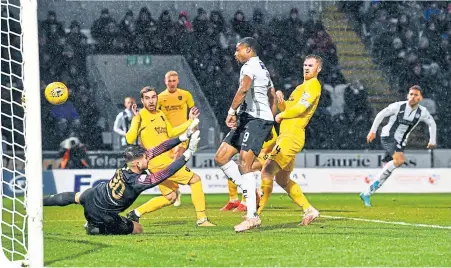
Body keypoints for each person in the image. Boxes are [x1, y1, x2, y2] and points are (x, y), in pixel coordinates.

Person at [43, 131, 201, 235]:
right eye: (146, 158)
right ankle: (94, 226)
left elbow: (159, 148)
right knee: (138, 229)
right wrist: (188, 154)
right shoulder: (137, 180)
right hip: (104, 213)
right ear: (138, 164)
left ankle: (39, 201)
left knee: (75, 197)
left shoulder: (129, 165)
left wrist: (183, 137)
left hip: (95, 193)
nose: (149, 158)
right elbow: (166, 173)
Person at [125, 86, 215, 227]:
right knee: (195, 180)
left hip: (161, 162)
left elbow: (172, 132)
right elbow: (130, 139)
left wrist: (189, 121)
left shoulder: (160, 113)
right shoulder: (140, 116)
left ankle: (135, 213)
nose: (151, 101)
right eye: (147, 98)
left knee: (171, 197)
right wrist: (136, 119)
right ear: (142, 100)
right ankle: (202, 219)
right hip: (158, 163)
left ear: (157, 98)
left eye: (153, 97)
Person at [214, 37, 277, 232]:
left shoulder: (250, 66)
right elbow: (272, 95)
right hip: (248, 117)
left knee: (244, 163)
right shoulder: (263, 68)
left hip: (256, 120)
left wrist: (231, 111)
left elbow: (243, 89)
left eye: (238, 50)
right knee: (221, 157)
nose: (235, 53)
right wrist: (271, 119)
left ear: (249, 50)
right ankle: (250, 192)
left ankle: (252, 216)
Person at [258, 55, 323, 226]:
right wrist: (281, 102)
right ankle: (309, 210)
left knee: (266, 171)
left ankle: (255, 215)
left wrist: (281, 114)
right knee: (282, 180)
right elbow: (291, 108)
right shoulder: (301, 87)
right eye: (305, 65)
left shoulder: (313, 85)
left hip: (291, 137)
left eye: (311, 65)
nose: (307, 68)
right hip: (287, 136)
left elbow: (301, 109)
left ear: (319, 69)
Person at [360, 85, 436, 206]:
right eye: (411, 94)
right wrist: (373, 131)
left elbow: (432, 123)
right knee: (399, 160)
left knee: (393, 166)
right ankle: (370, 188)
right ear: (407, 96)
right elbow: (381, 114)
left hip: (401, 142)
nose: (412, 97)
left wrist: (432, 140)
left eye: (416, 95)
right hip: (388, 136)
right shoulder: (398, 106)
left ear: (421, 98)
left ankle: (367, 193)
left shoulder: (422, 112)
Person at [158, 70, 196, 207]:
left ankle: (182, 186)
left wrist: (194, 127)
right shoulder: (160, 97)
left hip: (183, 134)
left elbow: (194, 112)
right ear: (165, 81)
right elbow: (155, 116)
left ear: (178, 81)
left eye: (174, 81)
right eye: (169, 81)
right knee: (167, 166)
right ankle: (176, 189)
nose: (172, 83)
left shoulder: (185, 95)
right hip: (167, 136)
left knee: (177, 157)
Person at [220, 127, 277, 212]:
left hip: (266, 156)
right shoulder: (254, 123)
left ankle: (244, 202)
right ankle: (234, 200)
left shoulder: (266, 123)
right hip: (256, 154)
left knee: (244, 168)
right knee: (234, 168)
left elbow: (274, 140)